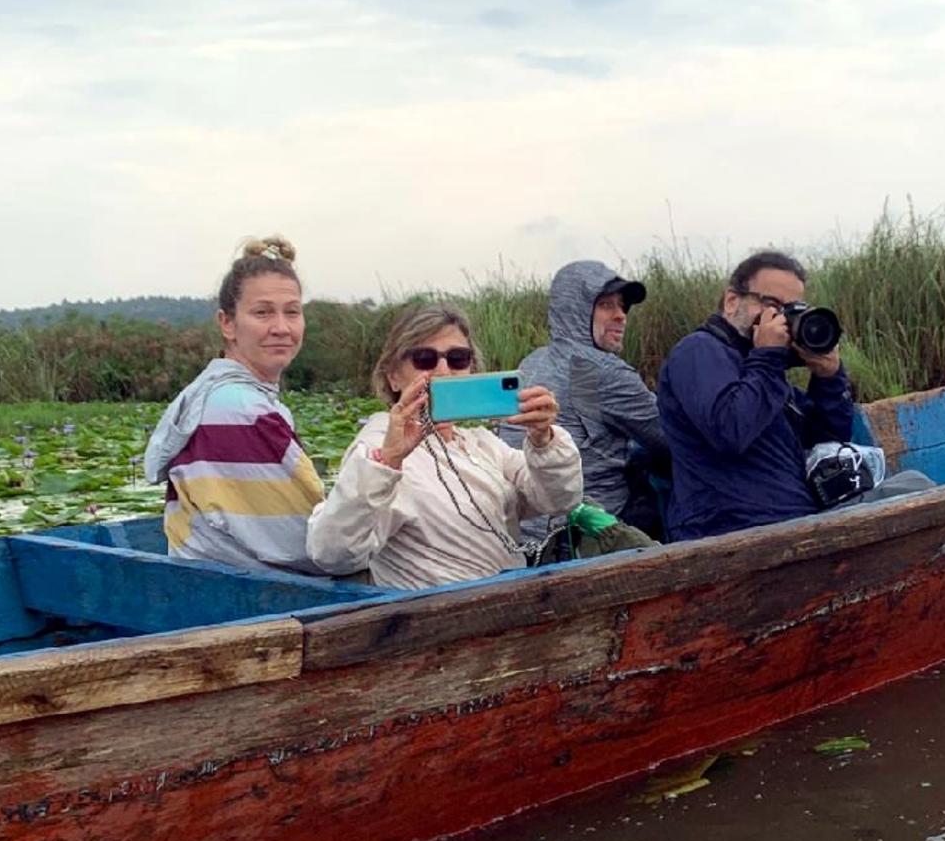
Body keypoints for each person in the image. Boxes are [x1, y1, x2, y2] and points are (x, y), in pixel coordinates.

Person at [307, 304, 583, 588]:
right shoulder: (377, 446)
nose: (443, 370)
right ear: (393, 376)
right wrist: (388, 461)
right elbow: (333, 553)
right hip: (435, 617)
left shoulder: (480, 442)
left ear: (471, 367)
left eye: (458, 358)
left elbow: (558, 500)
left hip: (504, 604)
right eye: (424, 359)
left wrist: (544, 441)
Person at [141, 236, 324, 573]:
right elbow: (310, 546)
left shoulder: (210, 393)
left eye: (292, 312)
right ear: (227, 323)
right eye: (262, 313)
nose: (281, 328)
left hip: (210, 581)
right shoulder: (241, 411)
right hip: (248, 597)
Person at [655, 249, 855, 541]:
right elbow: (730, 430)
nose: (782, 320)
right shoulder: (698, 351)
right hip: (729, 527)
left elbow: (826, 446)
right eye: (772, 304)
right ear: (732, 301)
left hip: (793, 520)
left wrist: (828, 380)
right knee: (911, 488)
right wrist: (769, 357)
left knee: (910, 486)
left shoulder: (765, 372)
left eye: (793, 309)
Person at [506, 259, 667, 535]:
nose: (621, 316)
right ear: (575, 311)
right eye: (606, 305)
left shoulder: (534, 361)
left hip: (526, 529)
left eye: (622, 306)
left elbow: (587, 423)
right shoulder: (597, 371)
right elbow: (668, 438)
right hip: (581, 531)